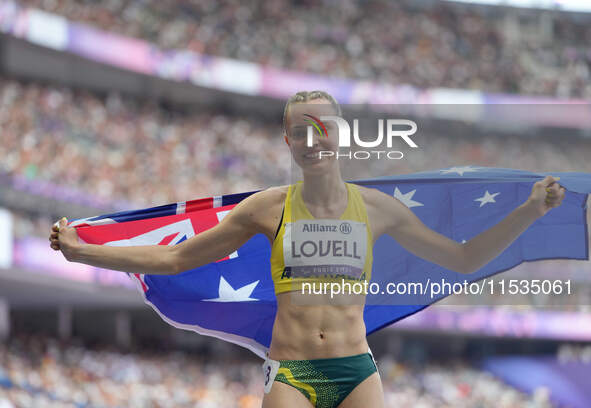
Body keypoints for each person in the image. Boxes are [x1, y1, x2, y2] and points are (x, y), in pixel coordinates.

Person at [49, 90, 566, 408]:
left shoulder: (378, 209)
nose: (312, 140)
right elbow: (177, 258)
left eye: (321, 128)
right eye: (301, 132)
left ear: (337, 134)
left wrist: (529, 212)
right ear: (288, 142)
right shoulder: (266, 207)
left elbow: (463, 260)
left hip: (355, 370)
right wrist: (83, 252)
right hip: (293, 373)